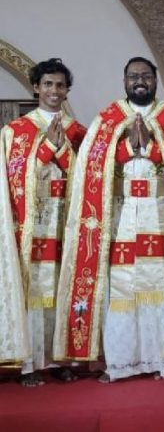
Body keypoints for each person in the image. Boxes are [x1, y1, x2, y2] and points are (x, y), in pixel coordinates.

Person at [53, 57, 164, 382]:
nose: (140, 81)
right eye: (133, 76)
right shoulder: (108, 120)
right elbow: (92, 165)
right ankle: (120, 363)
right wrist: (128, 148)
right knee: (120, 291)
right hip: (121, 217)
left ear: (155, 81)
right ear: (124, 81)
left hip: (159, 215)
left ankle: (160, 359)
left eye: (146, 76)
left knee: (160, 288)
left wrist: (153, 148)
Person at [0, 59, 86, 386]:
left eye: (60, 85)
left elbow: (89, 177)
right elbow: (14, 178)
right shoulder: (15, 131)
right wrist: (49, 146)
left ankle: (61, 359)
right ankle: (30, 363)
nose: (54, 90)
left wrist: (61, 150)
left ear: (67, 90)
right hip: (31, 224)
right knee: (33, 293)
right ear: (36, 87)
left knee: (63, 287)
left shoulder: (78, 132)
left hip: (66, 218)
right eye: (48, 84)